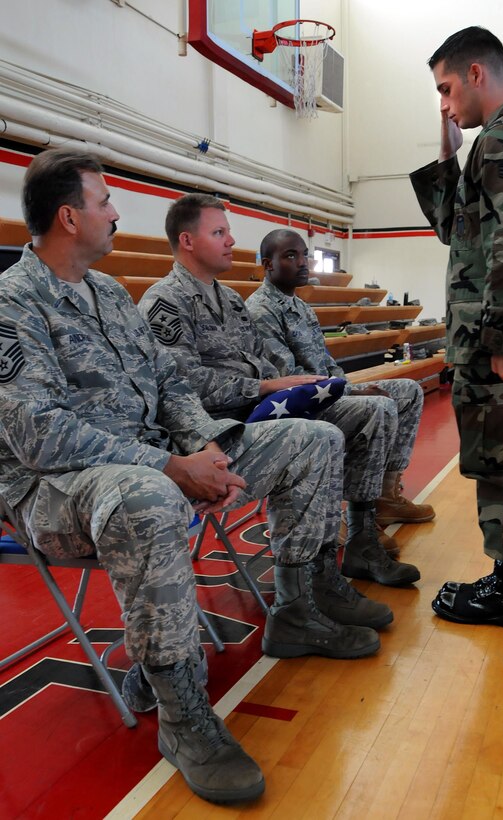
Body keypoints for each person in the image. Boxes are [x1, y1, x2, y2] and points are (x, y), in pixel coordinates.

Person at [0, 149, 383, 806]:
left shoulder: (112, 293)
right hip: (57, 489)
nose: (115, 212)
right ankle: (182, 718)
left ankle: (295, 610)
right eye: (104, 201)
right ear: (69, 216)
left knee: (313, 439)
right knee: (149, 497)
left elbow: (171, 383)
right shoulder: (14, 303)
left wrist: (205, 449)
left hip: (154, 458)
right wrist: (170, 468)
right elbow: (38, 435)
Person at [138, 194, 423, 591]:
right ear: (187, 241)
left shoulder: (230, 299)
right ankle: (307, 583)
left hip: (267, 408)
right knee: (322, 436)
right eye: (219, 232)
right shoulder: (165, 303)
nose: (231, 241)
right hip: (224, 428)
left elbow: (262, 361)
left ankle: (361, 537)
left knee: (375, 411)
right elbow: (181, 385)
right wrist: (264, 386)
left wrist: (297, 386)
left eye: (228, 232)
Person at [409, 26, 503, 627]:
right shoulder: (502, 141)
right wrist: (448, 148)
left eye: (446, 89)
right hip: (498, 335)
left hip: (499, 341)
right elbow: (459, 230)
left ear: (478, 73)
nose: (444, 103)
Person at [246, 228, 435, 541]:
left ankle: (385, 497)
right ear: (268, 264)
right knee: (380, 405)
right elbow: (291, 379)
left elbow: (328, 362)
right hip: (299, 408)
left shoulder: (302, 307)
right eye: (291, 256)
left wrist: (347, 385)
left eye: (304, 254)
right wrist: (353, 392)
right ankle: (353, 513)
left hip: (328, 394)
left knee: (409, 391)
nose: (303, 262)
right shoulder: (261, 311)